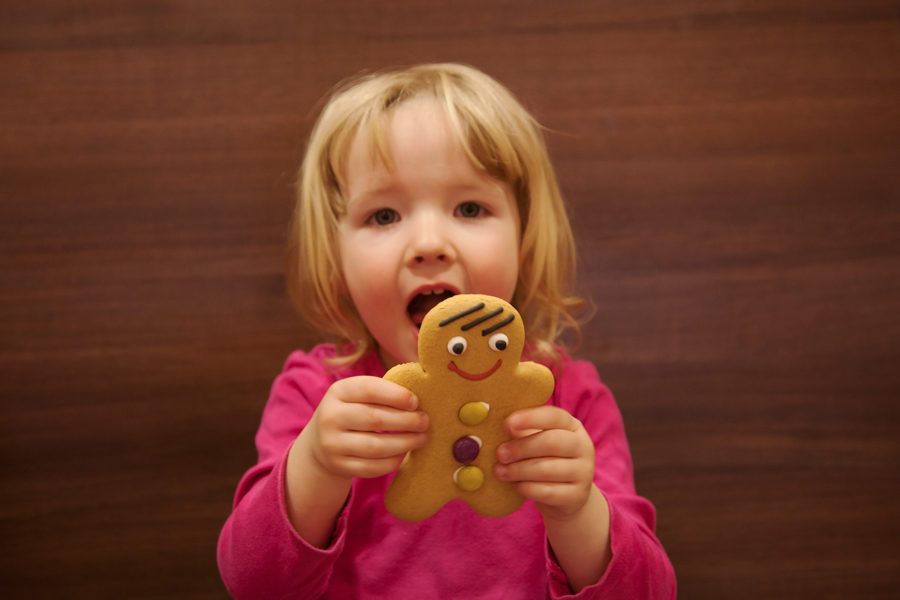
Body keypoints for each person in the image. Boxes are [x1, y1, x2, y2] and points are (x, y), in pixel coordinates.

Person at [217, 63, 676, 599]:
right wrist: (316, 464)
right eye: (384, 216)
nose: (429, 242)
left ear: (523, 240)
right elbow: (253, 584)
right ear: (336, 256)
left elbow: (650, 593)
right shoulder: (315, 394)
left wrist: (578, 511)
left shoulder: (569, 399)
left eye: (469, 207)